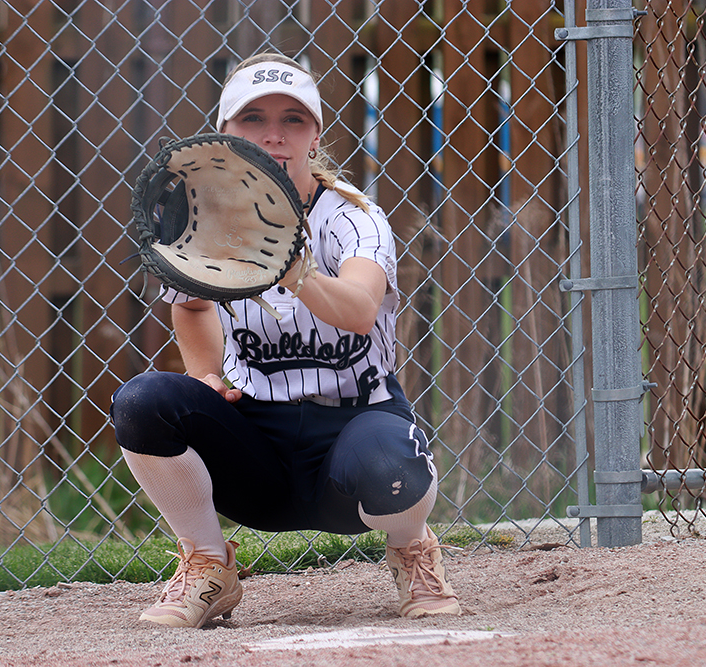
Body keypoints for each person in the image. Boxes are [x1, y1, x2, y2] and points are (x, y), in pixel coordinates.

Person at [111, 52, 459, 629]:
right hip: (257, 446)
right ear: (224, 133)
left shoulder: (354, 217)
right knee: (143, 402)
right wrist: (204, 373)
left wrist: (293, 269)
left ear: (316, 135)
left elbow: (358, 308)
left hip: (353, 432)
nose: (273, 135)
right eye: (253, 119)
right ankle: (207, 564)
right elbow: (193, 306)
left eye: (293, 119)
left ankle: (411, 550)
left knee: (389, 460)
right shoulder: (204, 218)